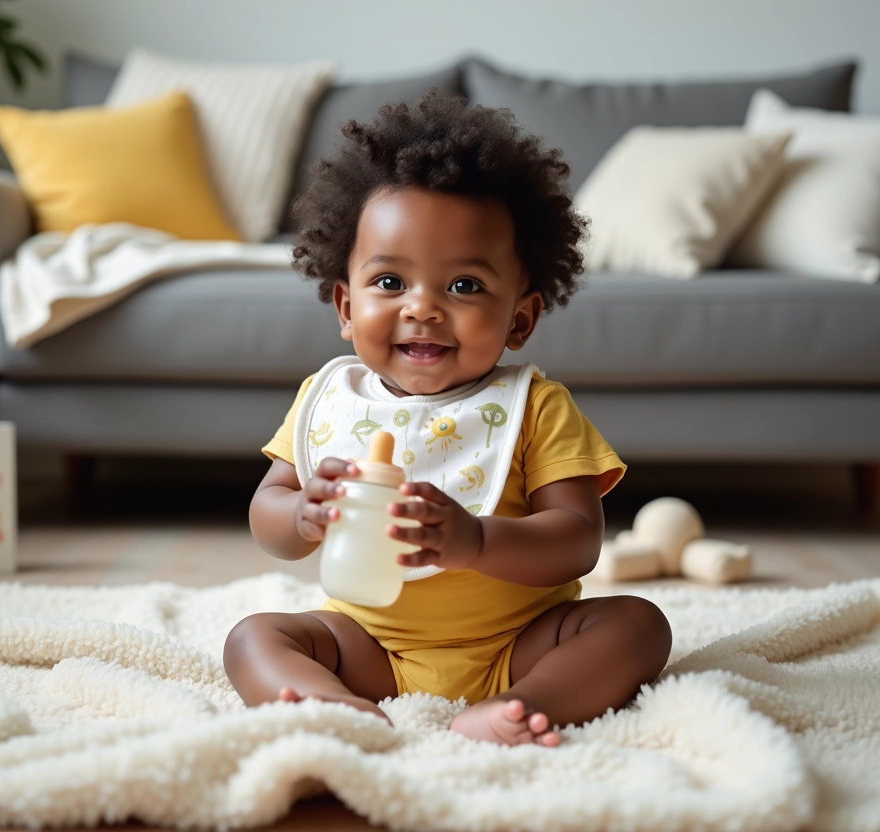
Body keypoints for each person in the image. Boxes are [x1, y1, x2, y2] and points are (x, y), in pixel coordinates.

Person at [224, 90, 672, 746]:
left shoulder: (537, 408)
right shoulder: (330, 399)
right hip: (369, 642)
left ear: (520, 317)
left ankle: (522, 704)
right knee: (253, 638)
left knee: (639, 625)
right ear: (345, 307)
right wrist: (300, 515)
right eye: (389, 283)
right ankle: (333, 704)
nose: (422, 308)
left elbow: (577, 539)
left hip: (519, 643)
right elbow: (270, 517)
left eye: (464, 286)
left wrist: (476, 542)